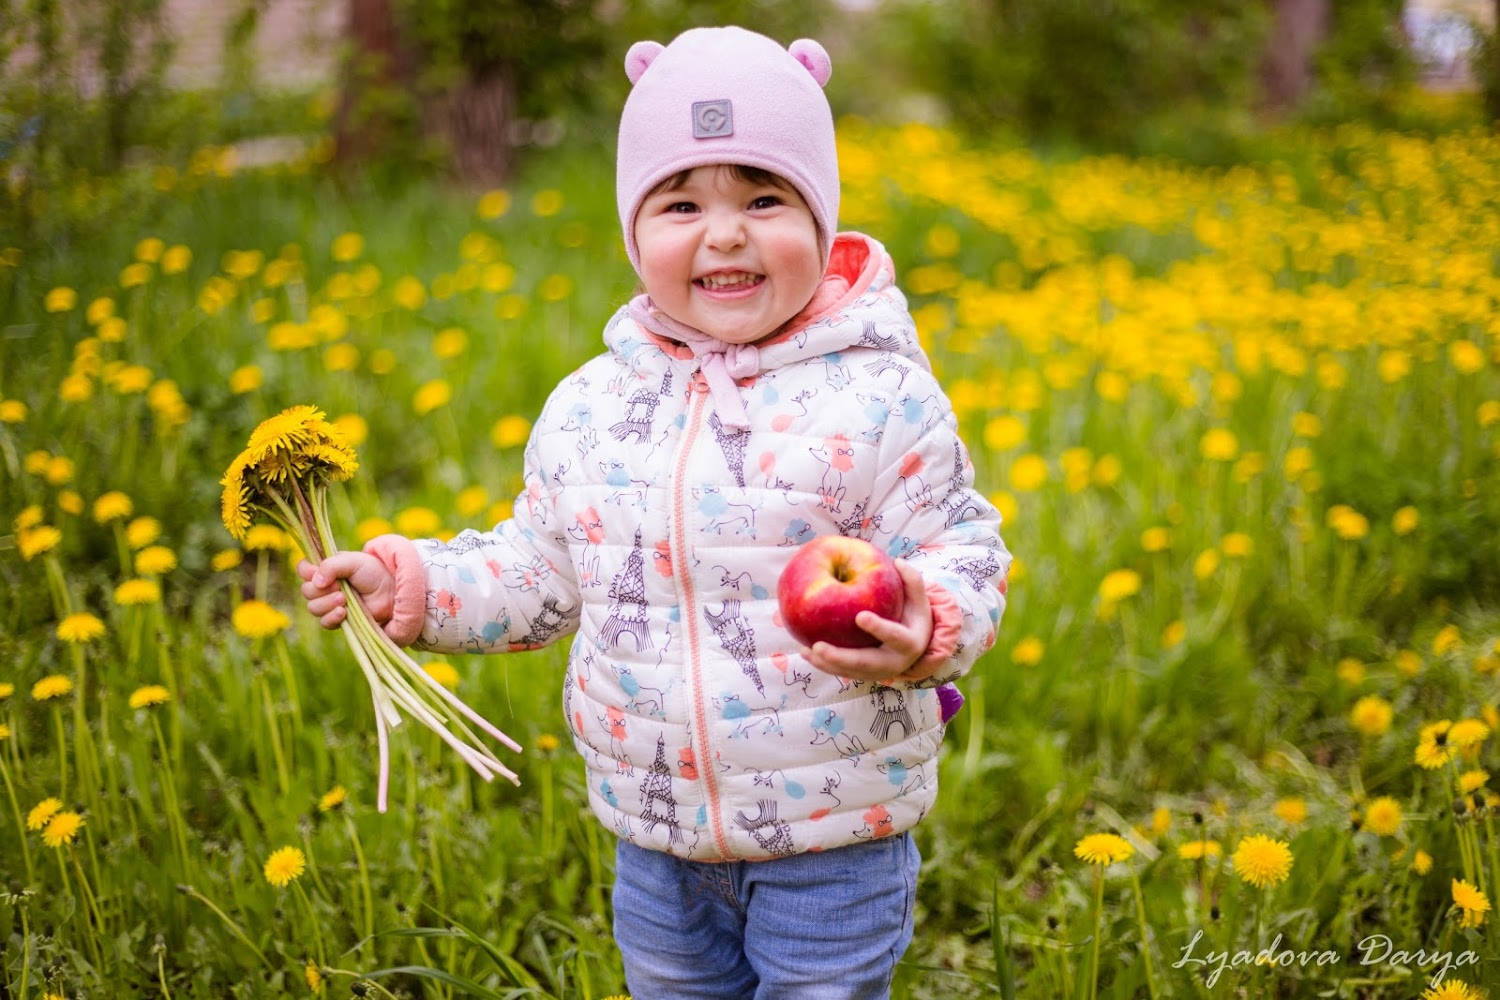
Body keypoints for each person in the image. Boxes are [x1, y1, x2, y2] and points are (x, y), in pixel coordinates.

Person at [298, 25, 1009, 998]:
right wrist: (415, 583)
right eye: (682, 203)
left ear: (822, 217)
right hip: (657, 836)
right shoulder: (592, 410)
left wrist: (927, 620)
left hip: (837, 832)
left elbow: (960, 546)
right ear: (636, 233)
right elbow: (538, 573)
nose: (724, 233)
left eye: (764, 198)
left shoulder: (882, 398)